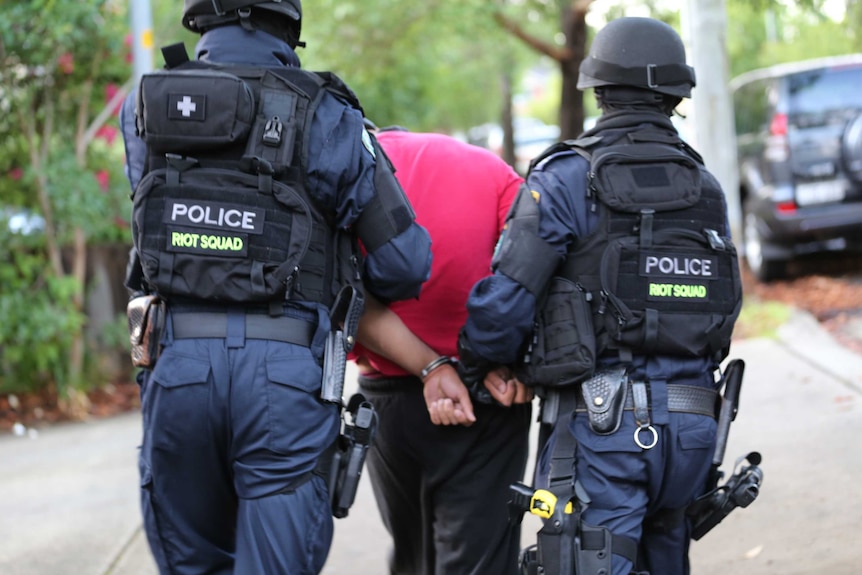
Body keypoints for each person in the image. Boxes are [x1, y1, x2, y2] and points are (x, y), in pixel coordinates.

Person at [118, 2, 432, 573]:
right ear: (289, 27)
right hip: (284, 377)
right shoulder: (327, 113)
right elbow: (406, 265)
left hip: (175, 362)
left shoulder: (148, 103)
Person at [456, 17, 742, 575]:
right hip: (692, 430)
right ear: (675, 96)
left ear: (600, 89)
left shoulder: (566, 177)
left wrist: (477, 365)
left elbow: (509, 297)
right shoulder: (705, 188)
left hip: (604, 428)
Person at [349, 126, 533, 575]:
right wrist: (517, 362)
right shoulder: (491, 169)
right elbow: (542, 272)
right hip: (489, 392)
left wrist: (430, 368)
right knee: (480, 559)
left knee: (414, 555)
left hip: (389, 398)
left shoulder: (345, 167)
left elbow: (342, 293)